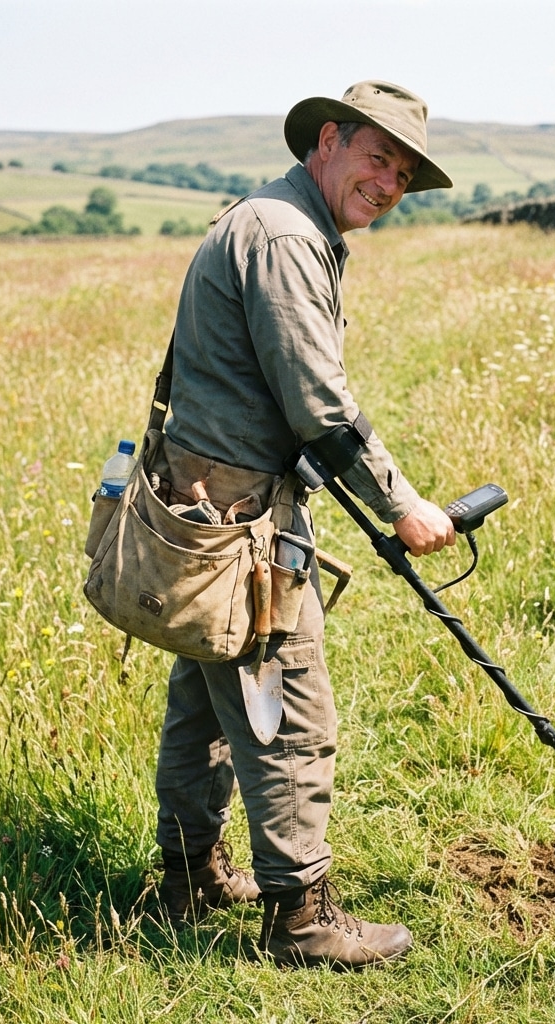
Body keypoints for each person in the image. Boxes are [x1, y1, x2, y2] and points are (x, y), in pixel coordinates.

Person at [153, 80, 456, 969]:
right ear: (328, 142)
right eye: (377, 158)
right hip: (240, 519)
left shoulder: (275, 219)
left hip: (209, 499)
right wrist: (401, 503)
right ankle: (302, 919)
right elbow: (320, 403)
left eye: (403, 174)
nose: (388, 184)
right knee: (286, 710)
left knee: (205, 703)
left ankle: (189, 877)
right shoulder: (287, 237)